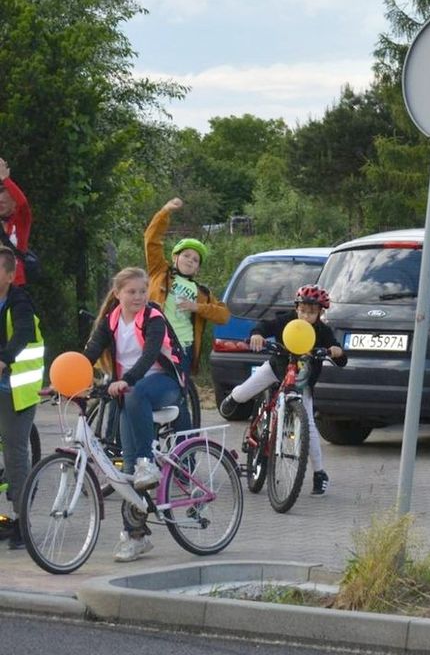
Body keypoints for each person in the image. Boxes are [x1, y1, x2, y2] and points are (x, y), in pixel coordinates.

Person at [82, 267, 186, 562]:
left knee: (136, 394)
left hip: (163, 384)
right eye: (132, 292)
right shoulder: (110, 321)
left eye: (143, 291)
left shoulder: (153, 318)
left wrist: (128, 379)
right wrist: (65, 379)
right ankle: (135, 537)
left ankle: (147, 463)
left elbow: (150, 354)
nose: (139, 296)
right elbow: (90, 352)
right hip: (130, 392)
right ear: (117, 294)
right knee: (127, 470)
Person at [219, 285, 347, 496]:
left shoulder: (323, 332)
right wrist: (257, 335)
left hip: (302, 382)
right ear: (296, 308)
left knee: (310, 427)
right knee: (244, 392)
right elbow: (263, 326)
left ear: (320, 313)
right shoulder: (286, 320)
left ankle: (319, 473)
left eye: (312, 312)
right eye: (302, 310)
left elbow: (340, 358)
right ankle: (234, 397)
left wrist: (337, 351)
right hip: (276, 368)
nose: (305, 316)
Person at [145, 197, 230, 379]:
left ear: (198, 269)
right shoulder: (160, 272)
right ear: (175, 257)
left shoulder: (202, 292)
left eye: (195, 260)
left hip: (183, 346)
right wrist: (165, 211)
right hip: (154, 341)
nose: (190, 260)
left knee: (177, 394)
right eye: (186, 255)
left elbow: (223, 316)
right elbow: (151, 240)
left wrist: (196, 307)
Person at [0, 247, 44, 550]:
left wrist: (4, 359)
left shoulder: (19, 302)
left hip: (16, 388)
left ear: (8, 274)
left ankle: (22, 522)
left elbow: (24, 334)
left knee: (15, 454)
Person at [0, 158, 33, 286]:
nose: (0, 199)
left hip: (15, 287)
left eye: (4, 192)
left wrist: (5, 179)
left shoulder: (19, 223)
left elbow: (23, 205)